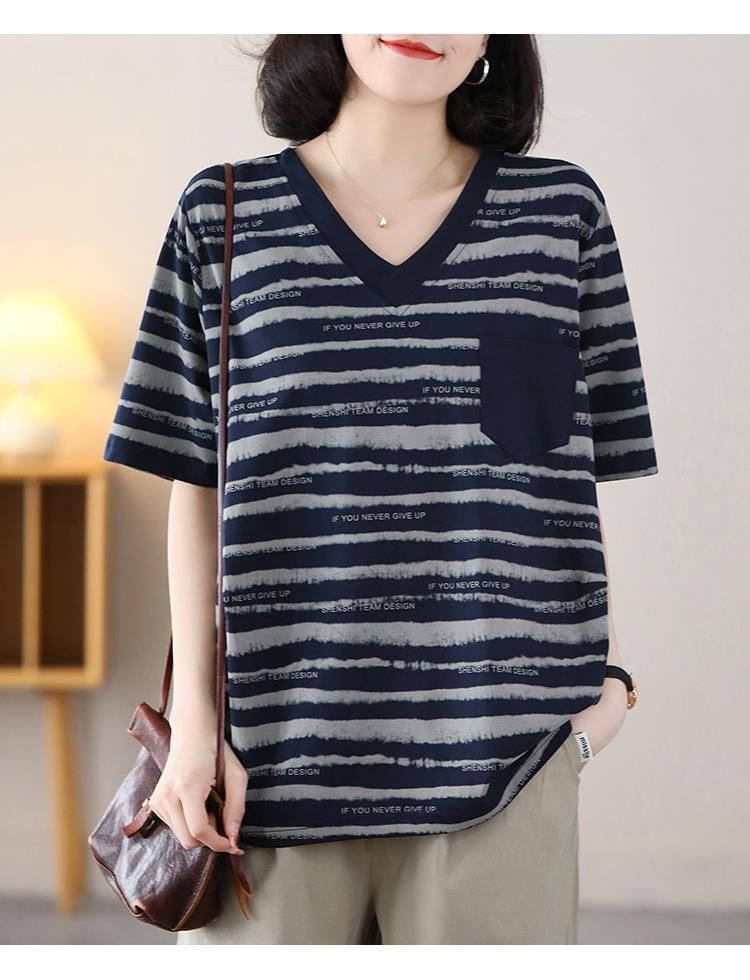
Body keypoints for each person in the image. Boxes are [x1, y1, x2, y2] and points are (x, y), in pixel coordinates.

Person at [102, 34, 658, 944]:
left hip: (506, 766)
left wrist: (604, 699)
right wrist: (196, 727)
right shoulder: (221, 214)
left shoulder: (561, 216)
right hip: (264, 770)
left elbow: (571, 492)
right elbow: (195, 486)